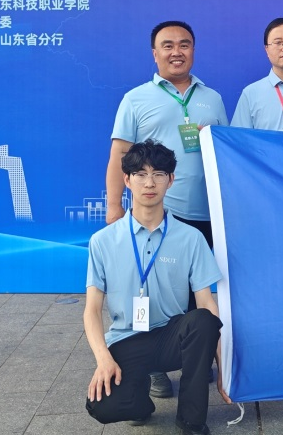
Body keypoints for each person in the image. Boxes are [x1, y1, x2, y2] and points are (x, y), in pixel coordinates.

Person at [105, 21, 227, 398]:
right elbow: (119, 154)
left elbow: (229, 153)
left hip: (208, 213)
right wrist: (114, 207)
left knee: (197, 292)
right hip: (159, 214)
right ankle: (152, 366)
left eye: (184, 44)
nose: (177, 52)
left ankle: (196, 357)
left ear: (194, 50)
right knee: (152, 290)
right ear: (155, 53)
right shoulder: (135, 99)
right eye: (168, 45)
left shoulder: (213, 99)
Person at [85, 139, 228, 435]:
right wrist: (103, 359)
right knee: (103, 406)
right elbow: (92, 310)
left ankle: (190, 420)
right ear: (127, 180)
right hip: (127, 338)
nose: (149, 183)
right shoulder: (102, 241)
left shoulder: (190, 238)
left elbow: (207, 303)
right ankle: (140, 403)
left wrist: (224, 366)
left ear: (170, 180)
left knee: (202, 320)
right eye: (140, 174)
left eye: (158, 174)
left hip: (171, 335)